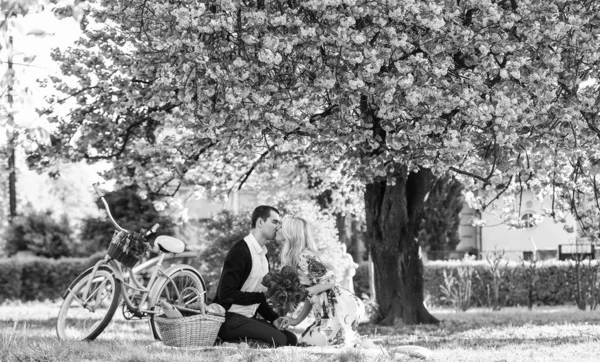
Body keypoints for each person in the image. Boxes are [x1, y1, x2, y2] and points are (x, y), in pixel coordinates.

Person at [276, 215, 366, 348]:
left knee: (310, 345)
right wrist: (296, 320)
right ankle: (350, 341)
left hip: (340, 309)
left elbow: (330, 281)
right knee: (304, 342)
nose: (277, 228)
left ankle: (349, 341)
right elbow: (312, 295)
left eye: (281, 226)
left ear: (290, 233)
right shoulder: (299, 257)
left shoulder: (304, 256)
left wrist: (304, 291)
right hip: (329, 314)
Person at [213, 205, 297, 347]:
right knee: (281, 341)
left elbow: (258, 297)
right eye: (275, 222)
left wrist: (274, 318)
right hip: (228, 319)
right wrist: (264, 296)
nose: (278, 227)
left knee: (291, 339)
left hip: (247, 319)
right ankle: (226, 343)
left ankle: (236, 343)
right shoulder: (241, 251)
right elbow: (225, 294)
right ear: (260, 222)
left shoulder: (264, 255)